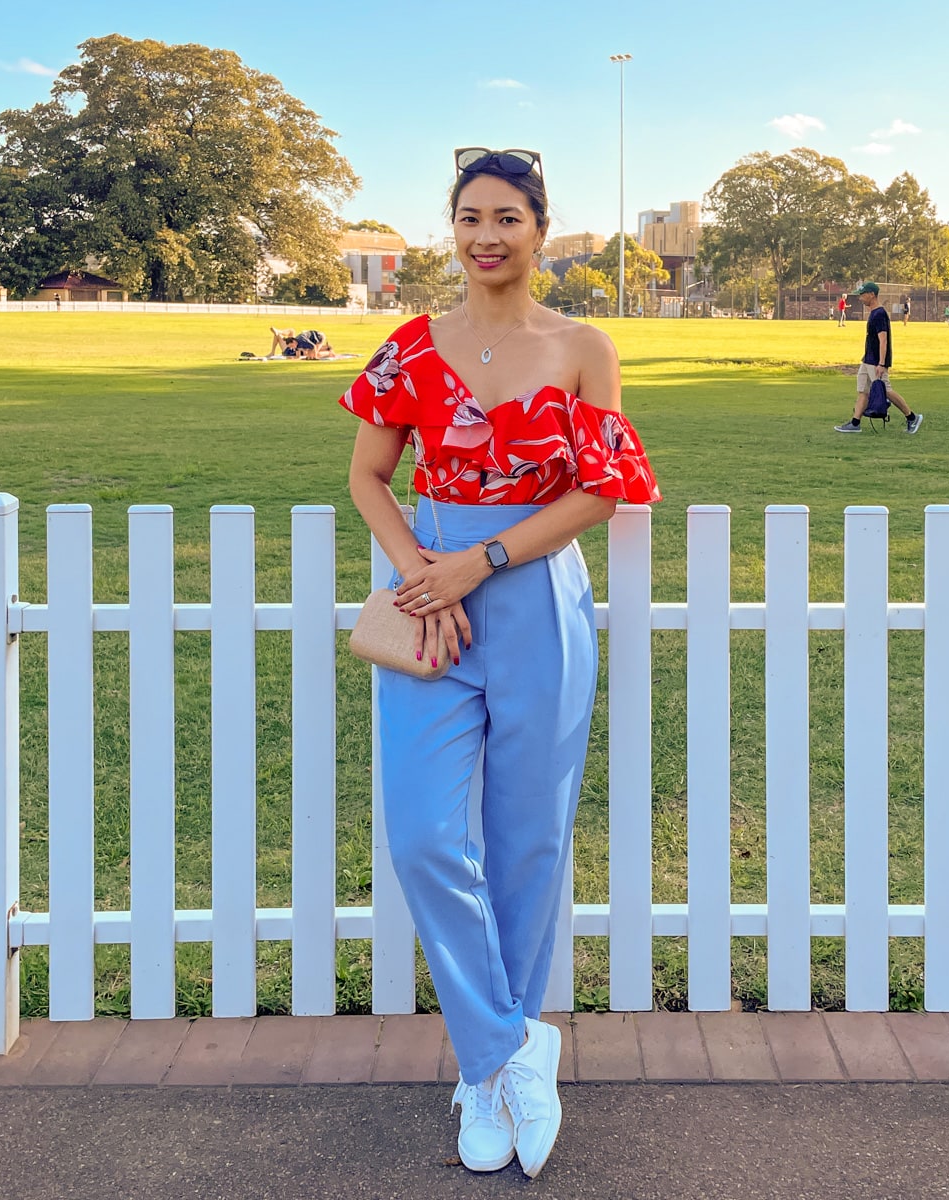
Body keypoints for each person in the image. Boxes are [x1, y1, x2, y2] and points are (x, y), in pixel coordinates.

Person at [339, 145, 659, 1179]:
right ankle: (509, 1047)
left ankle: (490, 1078)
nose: (486, 236)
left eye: (507, 218)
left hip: (531, 600)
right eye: (470, 217)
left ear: (540, 230)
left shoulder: (581, 346)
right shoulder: (410, 348)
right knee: (427, 835)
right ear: (452, 226)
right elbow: (369, 476)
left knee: (527, 842)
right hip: (432, 603)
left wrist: (479, 562)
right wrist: (418, 573)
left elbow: (600, 492)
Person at [835, 282, 922, 434]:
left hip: (876, 361)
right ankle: (855, 423)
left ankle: (912, 417)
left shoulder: (879, 314)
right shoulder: (874, 313)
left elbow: (883, 340)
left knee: (886, 390)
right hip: (868, 359)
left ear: (872, 295)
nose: (860, 298)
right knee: (864, 390)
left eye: (863, 295)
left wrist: (881, 363)